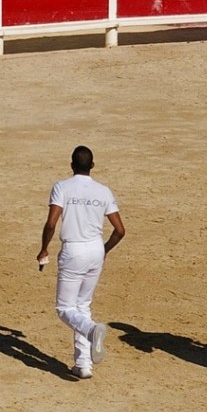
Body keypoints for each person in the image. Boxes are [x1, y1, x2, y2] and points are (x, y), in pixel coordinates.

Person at [36, 146, 125, 380]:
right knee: (83, 305)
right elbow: (119, 230)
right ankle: (83, 364)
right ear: (92, 166)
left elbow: (51, 224)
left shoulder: (62, 187)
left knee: (65, 308)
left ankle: (91, 329)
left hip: (73, 250)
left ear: (71, 165)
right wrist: (103, 251)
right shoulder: (103, 191)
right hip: (95, 249)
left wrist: (44, 248)